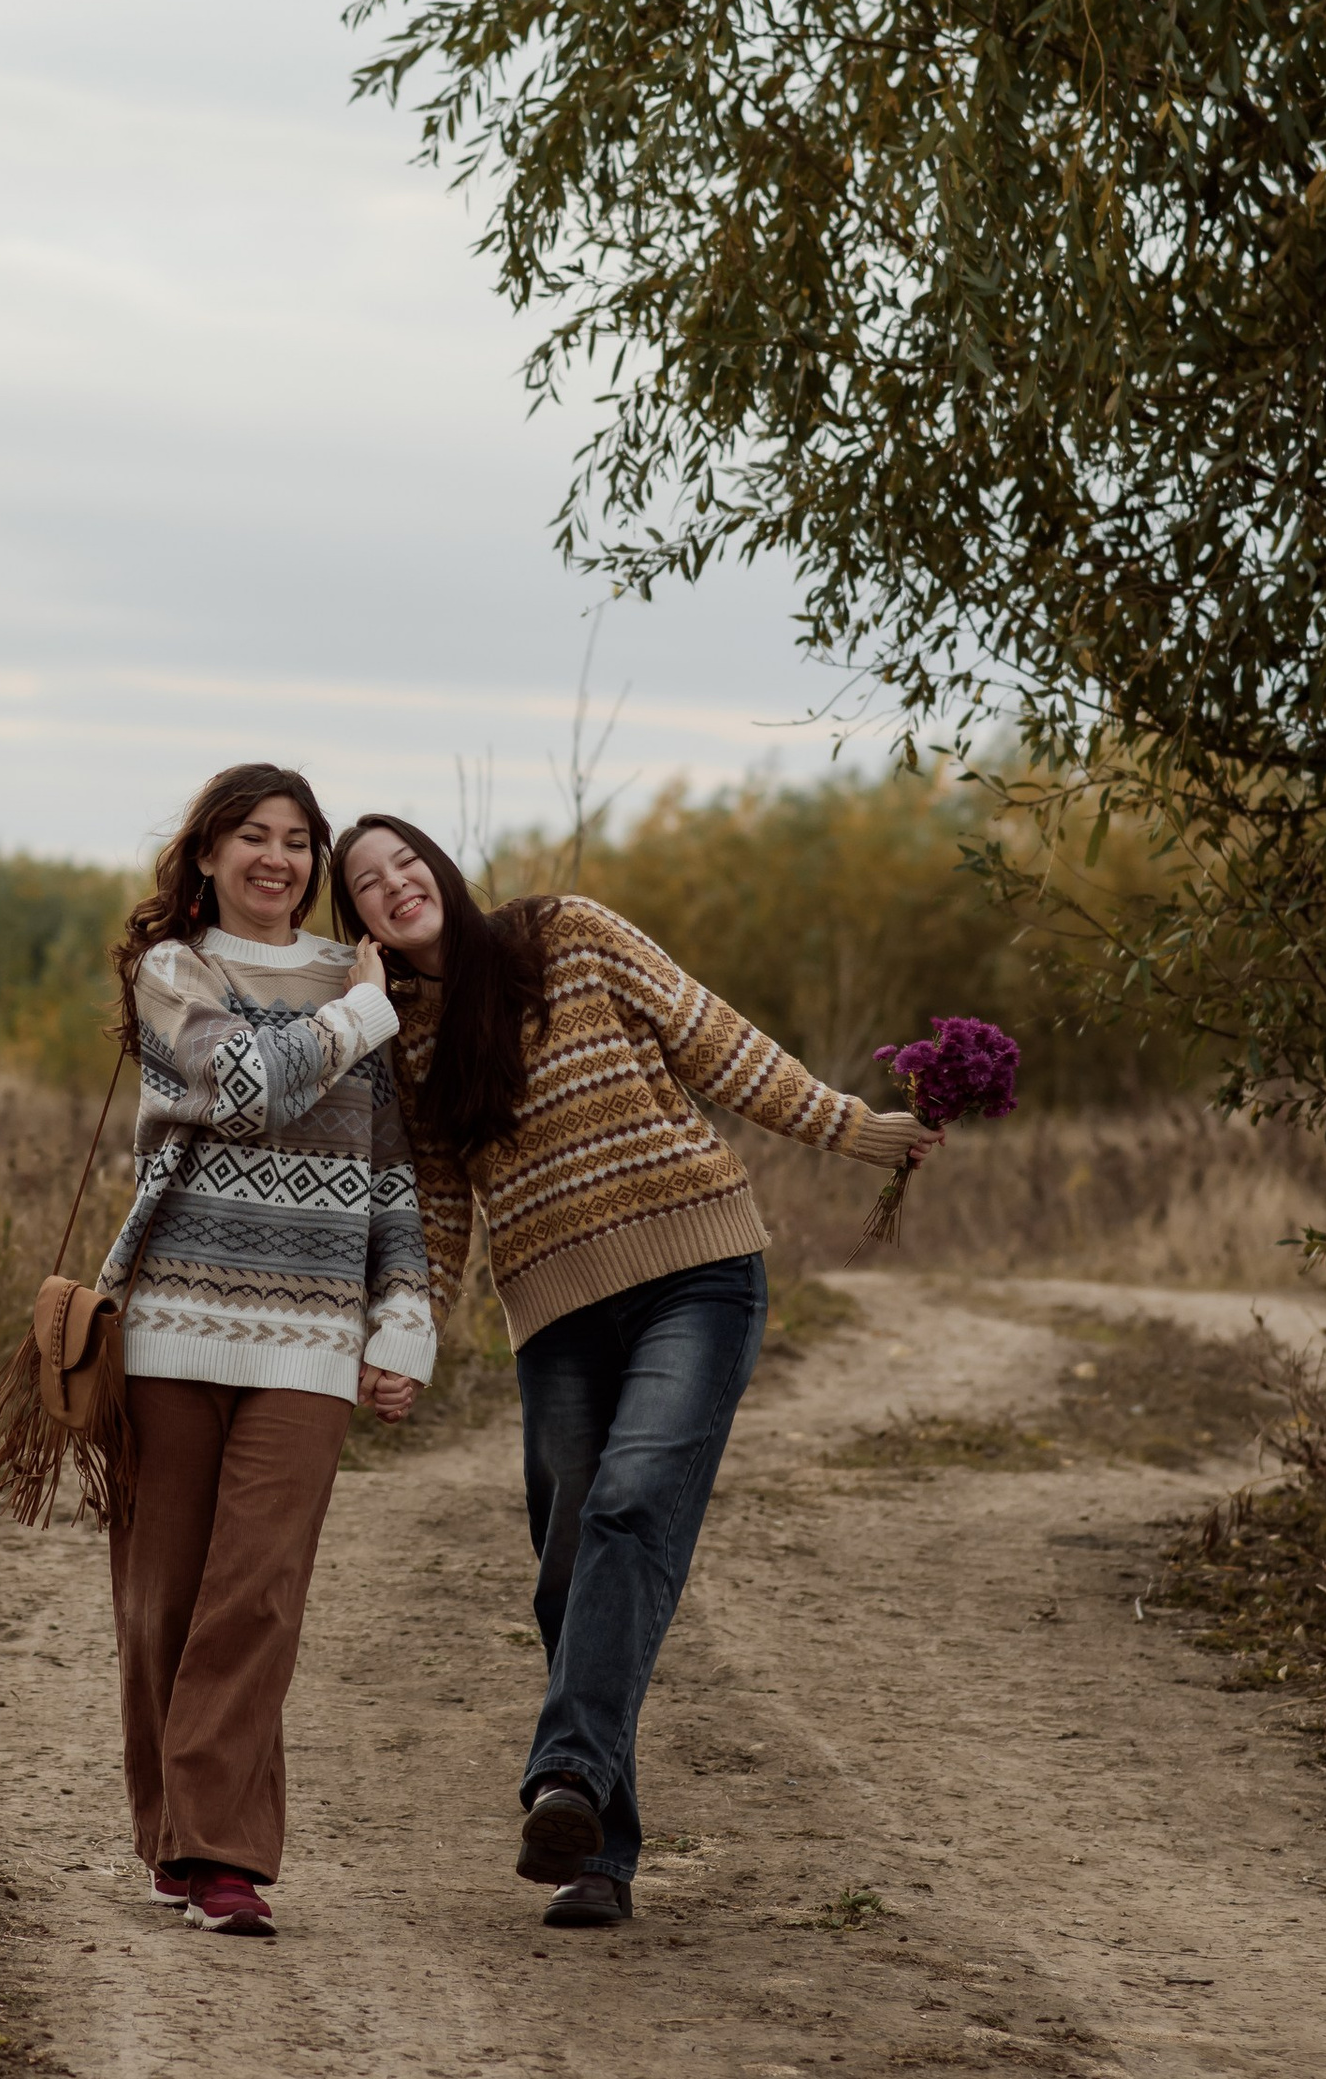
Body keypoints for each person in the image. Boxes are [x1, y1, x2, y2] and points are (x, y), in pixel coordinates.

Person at [331, 816, 937, 1929]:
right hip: (554, 1314)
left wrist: (851, 1129)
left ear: (440, 868)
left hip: (694, 1272)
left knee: (628, 1505)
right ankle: (595, 1858)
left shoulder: (567, 935)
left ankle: (564, 1777)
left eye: (405, 861)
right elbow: (441, 1204)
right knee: (566, 1566)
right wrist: (401, 1342)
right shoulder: (403, 1041)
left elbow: (717, 1042)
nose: (394, 886)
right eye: (366, 885)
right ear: (358, 921)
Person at [95, 764, 434, 1936]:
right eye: (252, 835)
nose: (277, 858)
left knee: (257, 1597)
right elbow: (243, 1086)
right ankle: (172, 1836)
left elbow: (393, 1172)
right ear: (205, 854)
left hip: (309, 1333)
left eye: (297, 840)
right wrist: (358, 1013)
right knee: (163, 1598)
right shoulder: (175, 972)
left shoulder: (356, 984)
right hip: (169, 1327)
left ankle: (222, 1853)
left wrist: (403, 1319)